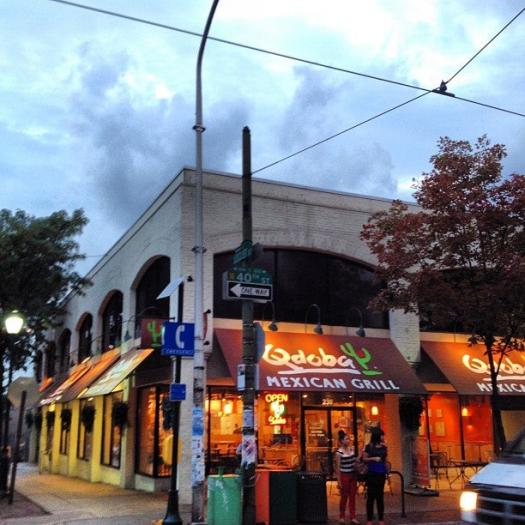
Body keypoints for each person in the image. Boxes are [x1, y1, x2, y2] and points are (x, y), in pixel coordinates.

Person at [362, 428, 388, 525]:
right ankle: (369, 519)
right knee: (371, 497)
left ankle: (381, 518)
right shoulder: (369, 447)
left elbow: (385, 460)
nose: (383, 437)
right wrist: (373, 458)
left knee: (380, 497)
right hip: (372, 473)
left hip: (381, 473)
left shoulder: (384, 447)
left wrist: (387, 470)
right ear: (377, 436)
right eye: (382, 435)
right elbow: (364, 458)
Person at [335, 430, 359, 525]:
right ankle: (342, 516)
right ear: (341, 441)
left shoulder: (351, 449)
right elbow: (338, 467)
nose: (348, 440)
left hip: (353, 475)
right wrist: (339, 481)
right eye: (346, 439)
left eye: (348, 439)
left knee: (352, 497)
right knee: (344, 497)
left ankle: (353, 517)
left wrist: (358, 459)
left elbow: (354, 461)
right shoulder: (339, 452)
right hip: (344, 475)